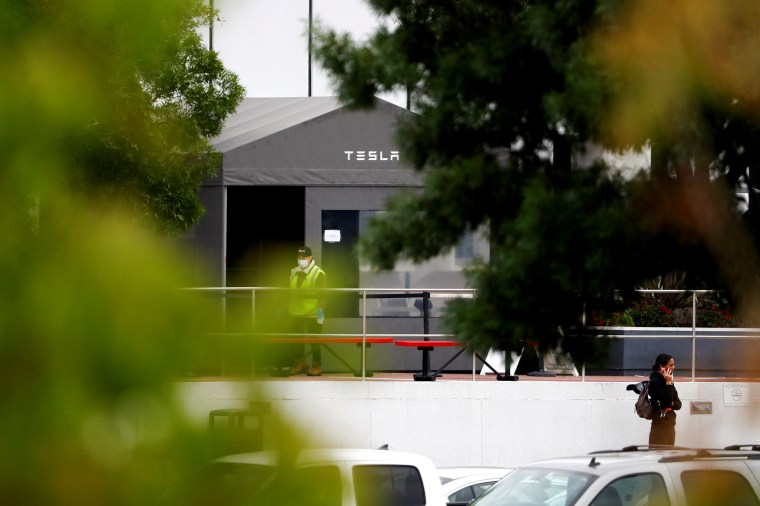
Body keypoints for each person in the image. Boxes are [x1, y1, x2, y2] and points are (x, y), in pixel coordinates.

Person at [287, 246, 327, 376]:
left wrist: (320, 316)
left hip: (313, 314)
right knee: (296, 340)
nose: (301, 260)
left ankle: (317, 365)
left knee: (315, 340)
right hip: (295, 313)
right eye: (299, 257)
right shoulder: (293, 271)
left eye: (304, 258)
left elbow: (323, 297)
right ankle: (301, 363)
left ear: (310, 258)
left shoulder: (318, 273)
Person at [648, 353, 682, 446]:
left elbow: (679, 404)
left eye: (674, 364)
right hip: (659, 428)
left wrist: (672, 403)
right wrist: (668, 383)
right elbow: (667, 402)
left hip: (670, 427)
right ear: (661, 366)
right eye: (671, 365)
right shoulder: (655, 382)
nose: (674, 367)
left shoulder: (668, 381)